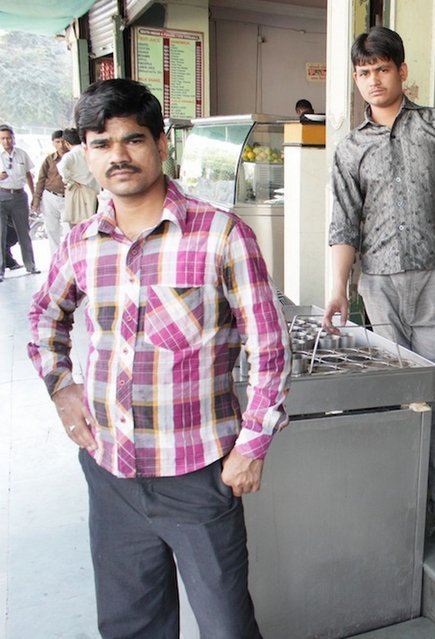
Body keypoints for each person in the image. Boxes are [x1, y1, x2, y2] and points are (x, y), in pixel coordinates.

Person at [27, 78, 290, 637]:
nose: (118, 156)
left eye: (133, 139)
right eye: (101, 144)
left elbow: (270, 348)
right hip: (110, 470)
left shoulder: (221, 234)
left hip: (197, 474)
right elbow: (45, 318)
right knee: (131, 625)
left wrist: (252, 446)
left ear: (161, 144)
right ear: (85, 154)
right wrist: (61, 386)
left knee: (226, 625)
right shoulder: (81, 242)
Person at [323, 26, 435, 553]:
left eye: (382, 69)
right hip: (377, 286)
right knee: (397, 400)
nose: (373, 80)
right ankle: (403, 508)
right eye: (363, 72)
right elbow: (344, 225)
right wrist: (338, 289)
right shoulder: (350, 147)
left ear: (401, 71)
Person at [0, 124, 39, 280]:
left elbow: (29, 175)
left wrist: (34, 195)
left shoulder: (22, 154)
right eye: (3, 138)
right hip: (2, 195)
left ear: (14, 138)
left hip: (19, 196)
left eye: (9, 138)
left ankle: (31, 265)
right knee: (1, 234)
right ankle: (1, 270)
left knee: (24, 232)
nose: (6, 141)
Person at [32, 129, 68, 252]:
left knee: (69, 229)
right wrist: (36, 200)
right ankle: (55, 257)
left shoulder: (73, 157)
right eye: (57, 142)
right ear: (53, 143)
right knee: (52, 229)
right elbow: (41, 180)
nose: (61, 145)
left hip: (68, 197)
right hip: (50, 196)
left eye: (63, 141)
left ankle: (68, 256)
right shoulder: (49, 159)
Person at [59, 128, 100, 227]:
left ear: (67, 143)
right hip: (94, 190)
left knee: (77, 223)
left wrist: (68, 180)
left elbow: (61, 168)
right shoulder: (90, 152)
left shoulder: (70, 155)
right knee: (92, 222)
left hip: (78, 190)